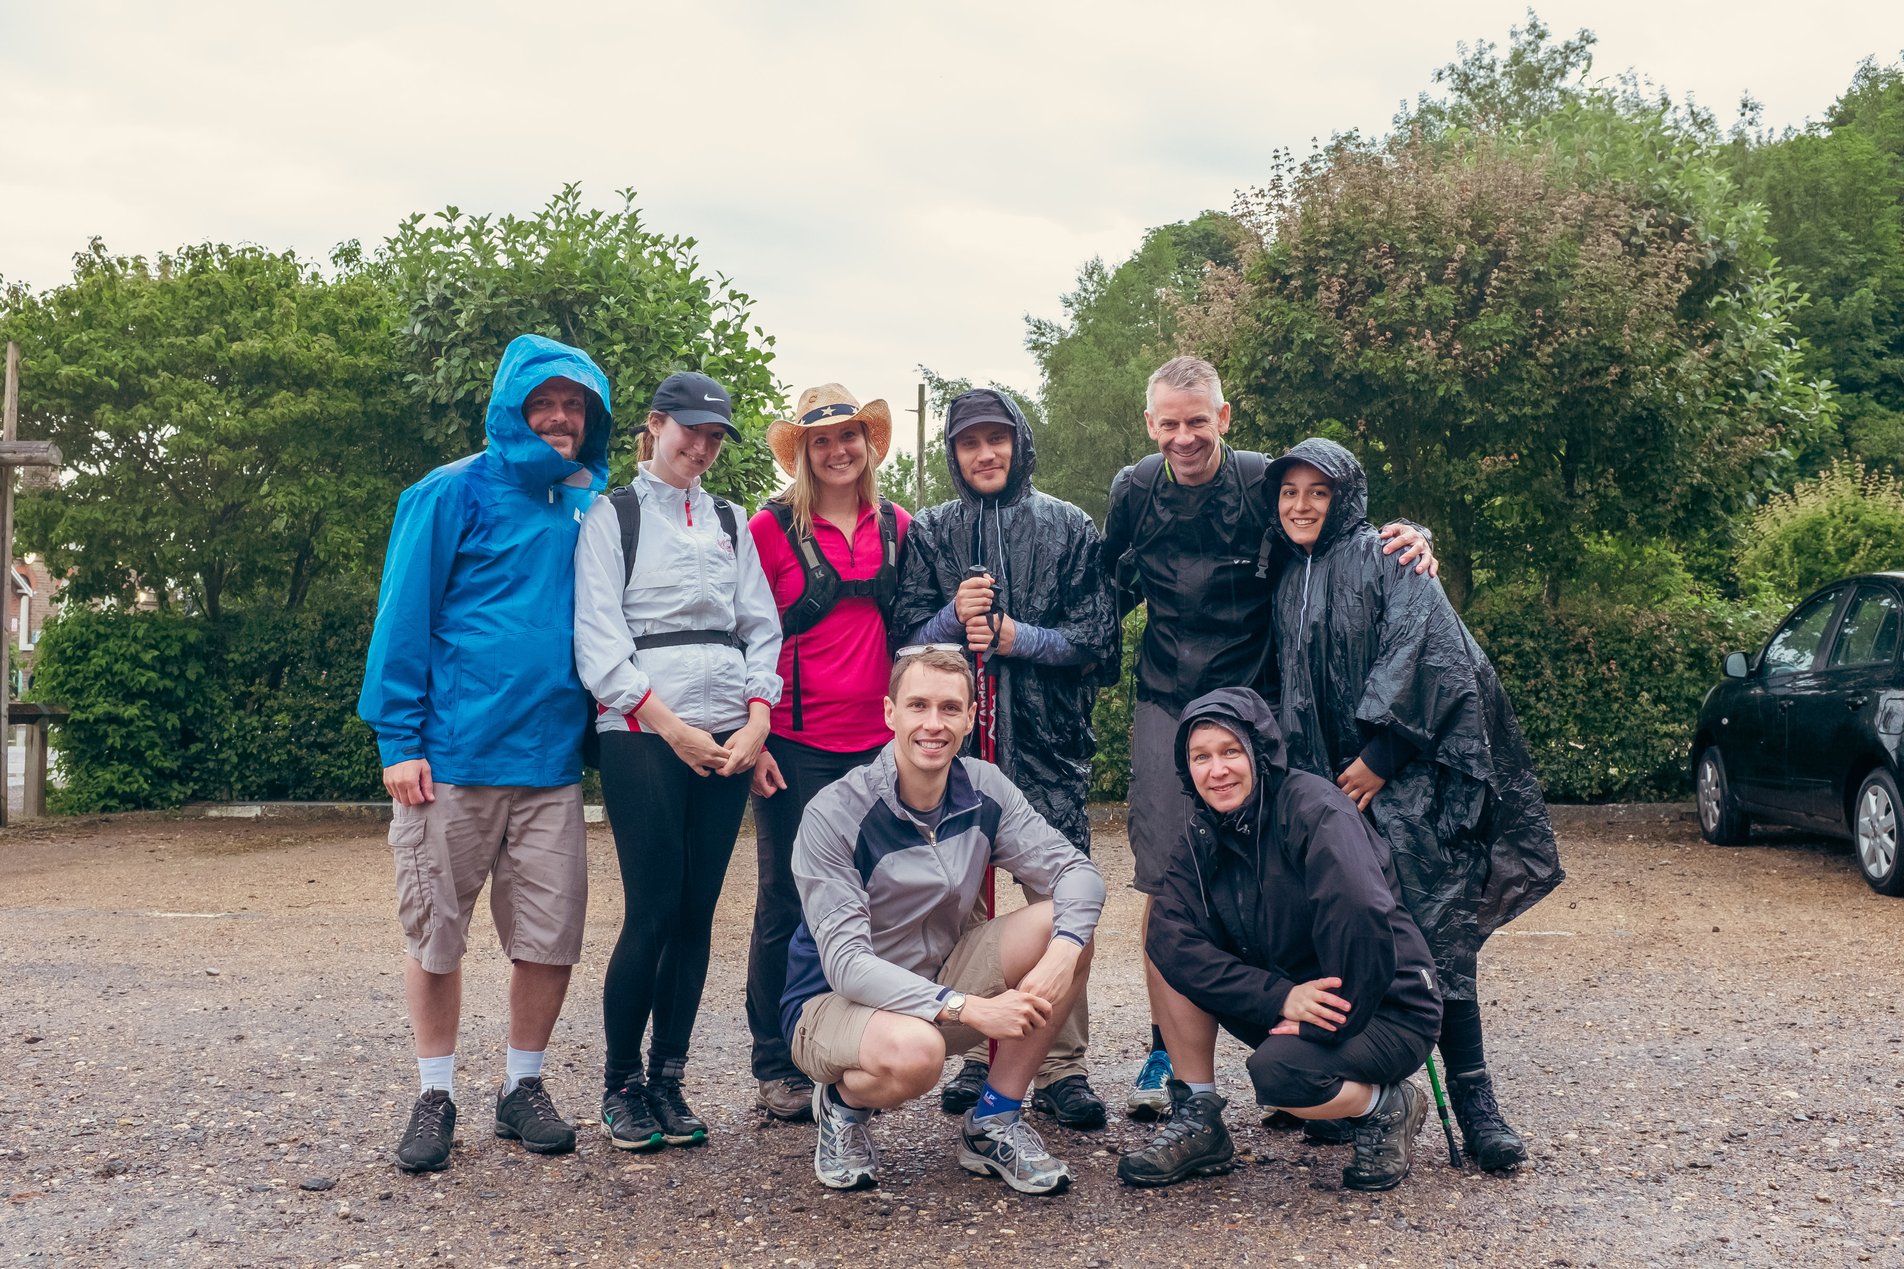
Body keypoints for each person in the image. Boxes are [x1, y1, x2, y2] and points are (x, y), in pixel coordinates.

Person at [1101, 355, 1435, 1120]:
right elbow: (1103, 588)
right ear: (1150, 426)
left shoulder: (1262, 481)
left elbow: (1330, 523)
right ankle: (1170, 1055)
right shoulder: (1132, 489)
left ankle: (1309, 1038)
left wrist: (1411, 537)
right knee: (1165, 879)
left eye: (1197, 420)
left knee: (1289, 859)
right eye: (1168, 424)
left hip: (1256, 700)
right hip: (1163, 697)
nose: (1183, 437)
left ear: (1224, 417)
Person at [1265, 436, 1564, 1170]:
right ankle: (1362, 1093)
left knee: (1437, 941)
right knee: (1341, 936)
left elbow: (1433, 658)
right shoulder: (1285, 575)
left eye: (1318, 492)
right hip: (1328, 792)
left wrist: (1380, 758)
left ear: (1346, 498)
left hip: (1404, 787)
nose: (1301, 506)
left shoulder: (1389, 558)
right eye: (1289, 492)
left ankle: (1475, 1100)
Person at [359, 333, 611, 1172]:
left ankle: (521, 1086)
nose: (562, 417)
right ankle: (435, 1093)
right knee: (437, 932)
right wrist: (400, 739)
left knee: (550, 933)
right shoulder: (447, 491)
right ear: (513, 406)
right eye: (546, 402)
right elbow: (403, 616)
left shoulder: (590, 502)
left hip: (549, 764)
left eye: (576, 406)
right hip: (452, 759)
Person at [784, 647, 1104, 1194]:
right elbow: (846, 966)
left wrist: (1063, 952)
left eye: (950, 709)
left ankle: (994, 1122)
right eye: (918, 706)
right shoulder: (835, 812)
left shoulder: (984, 788)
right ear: (890, 714)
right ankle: (841, 1105)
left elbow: (1078, 873)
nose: (934, 724)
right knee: (919, 1054)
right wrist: (971, 1008)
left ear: (970, 718)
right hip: (832, 1003)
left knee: (1065, 925)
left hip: (938, 977)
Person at [889, 388, 1120, 1129]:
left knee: (1059, 903)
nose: (984, 454)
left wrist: (1021, 638)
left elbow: (1099, 642)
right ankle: (978, 1048)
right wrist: (952, 618)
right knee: (959, 900)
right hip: (953, 753)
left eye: (997, 439)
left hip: (1048, 749)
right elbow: (903, 639)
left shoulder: (1069, 526)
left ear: (1020, 442)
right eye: (968, 443)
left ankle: (1060, 1062)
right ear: (953, 454)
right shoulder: (930, 532)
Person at [573, 371, 784, 1151]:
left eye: (714, 436)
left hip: (729, 725)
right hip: (641, 727)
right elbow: (598, 640)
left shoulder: (732, 518)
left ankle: (670, 1077)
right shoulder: (610, 516)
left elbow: (761, 625)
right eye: (689, 430)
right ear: (655, 425)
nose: (701, 446)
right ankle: (621, 1083)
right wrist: (666, 724)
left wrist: (759, 715)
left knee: (697, 914)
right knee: (653, 908)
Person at [1119, 689, 1444, 1192]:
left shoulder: (1314, 809)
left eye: (1230, 751)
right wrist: (1280, 998)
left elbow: (1361, 913)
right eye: (1200, 757)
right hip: (1293, 998)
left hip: (1382, 1006)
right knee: (1170, 953)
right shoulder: (1203, 832)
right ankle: (1199, 1113)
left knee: (1281, 1076)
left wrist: (1334, 1018)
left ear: (1258, 751)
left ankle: (1387, 1104)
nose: (1217, 770)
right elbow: (1171, 938)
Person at [745, 383, 911, 1122]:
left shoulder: (900, 525)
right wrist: (751, 740)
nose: (839, 450)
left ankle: (848, 1044)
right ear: (804, 452)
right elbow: (741, 633)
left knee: (871, 899)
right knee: (787, 896)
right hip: (795, 744)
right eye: (822, 440)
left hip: (879, 746)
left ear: (868, 443)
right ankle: (774, 1060)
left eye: (850, 436)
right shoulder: (769, 529)